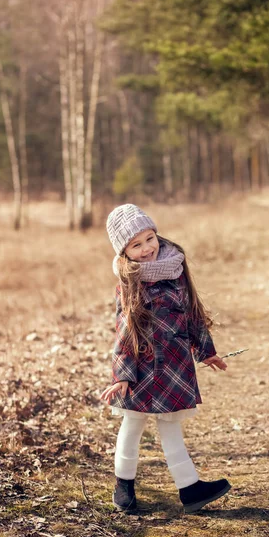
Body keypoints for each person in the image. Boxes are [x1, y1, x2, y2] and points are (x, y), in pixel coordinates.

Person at [101, 204, 231, 514]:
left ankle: (190, 489)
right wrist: (121, 375)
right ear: (125, 252)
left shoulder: (176, 267)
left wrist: (206, 351)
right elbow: (124, 331)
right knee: (132, 426)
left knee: (171, 427)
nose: (147, 249)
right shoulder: (128, 282)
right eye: (136, 244)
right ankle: (124, 486)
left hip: (175, 365)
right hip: (142, 368)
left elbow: (192, 315)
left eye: (149, 238)